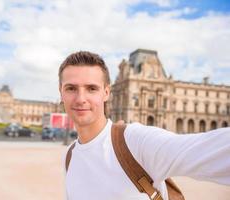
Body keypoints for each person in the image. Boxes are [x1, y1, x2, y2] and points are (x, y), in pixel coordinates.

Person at [58, 51, 230, 200]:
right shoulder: (70, 156)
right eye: (71, 88)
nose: (81, 99)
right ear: (61, 93)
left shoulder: (136, 142)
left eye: (91, 88)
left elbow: (211, 150)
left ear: (106, 93)